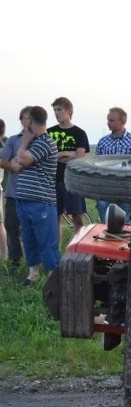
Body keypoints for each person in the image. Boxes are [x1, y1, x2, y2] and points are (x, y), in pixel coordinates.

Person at [0, 106, 59, 286]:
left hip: (41, 201)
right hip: (23, 199)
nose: (24, 124)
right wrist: (23, 150)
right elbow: (16, 166)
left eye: (27, 120)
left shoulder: (45, 142)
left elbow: (22, 161)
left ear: (32, 121)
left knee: (46, 240)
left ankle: (53, 279)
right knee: (29, 238)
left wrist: (24, 143)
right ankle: (33, 274)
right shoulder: (33, 142)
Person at [48, 97, 89, 239]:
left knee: (77, 218)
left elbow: (80, 157)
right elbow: (48, 156)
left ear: (69, 111)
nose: (56, 113)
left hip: (72, 181)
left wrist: (62, 154)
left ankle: (78, 250)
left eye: (59, 109)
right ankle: (55, 255)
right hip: (52, 180)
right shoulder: (49, 132)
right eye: (54, 110)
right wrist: (68, 154)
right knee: (54, 219)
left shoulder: (79, 133)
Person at [95, 107, 131, 222]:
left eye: (111, 120)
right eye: (108, 120)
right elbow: (96, 166)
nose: (108, 123)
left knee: (126, 224)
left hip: (127, 190)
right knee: (105, 223)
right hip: (106, 189)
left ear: (122, 121)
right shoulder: (103, 142)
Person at [0, 107, 30, 267]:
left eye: (29, 118)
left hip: (33, 194)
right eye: (24, 118)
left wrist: (25, 163)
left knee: (32, 232)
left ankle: (35, 264)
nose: (26, 121)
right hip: (13, 192)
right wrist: (13, 165)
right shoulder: (12, 140)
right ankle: (14, 263)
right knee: (12, 229)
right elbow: (2, 160)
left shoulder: (42, 141)